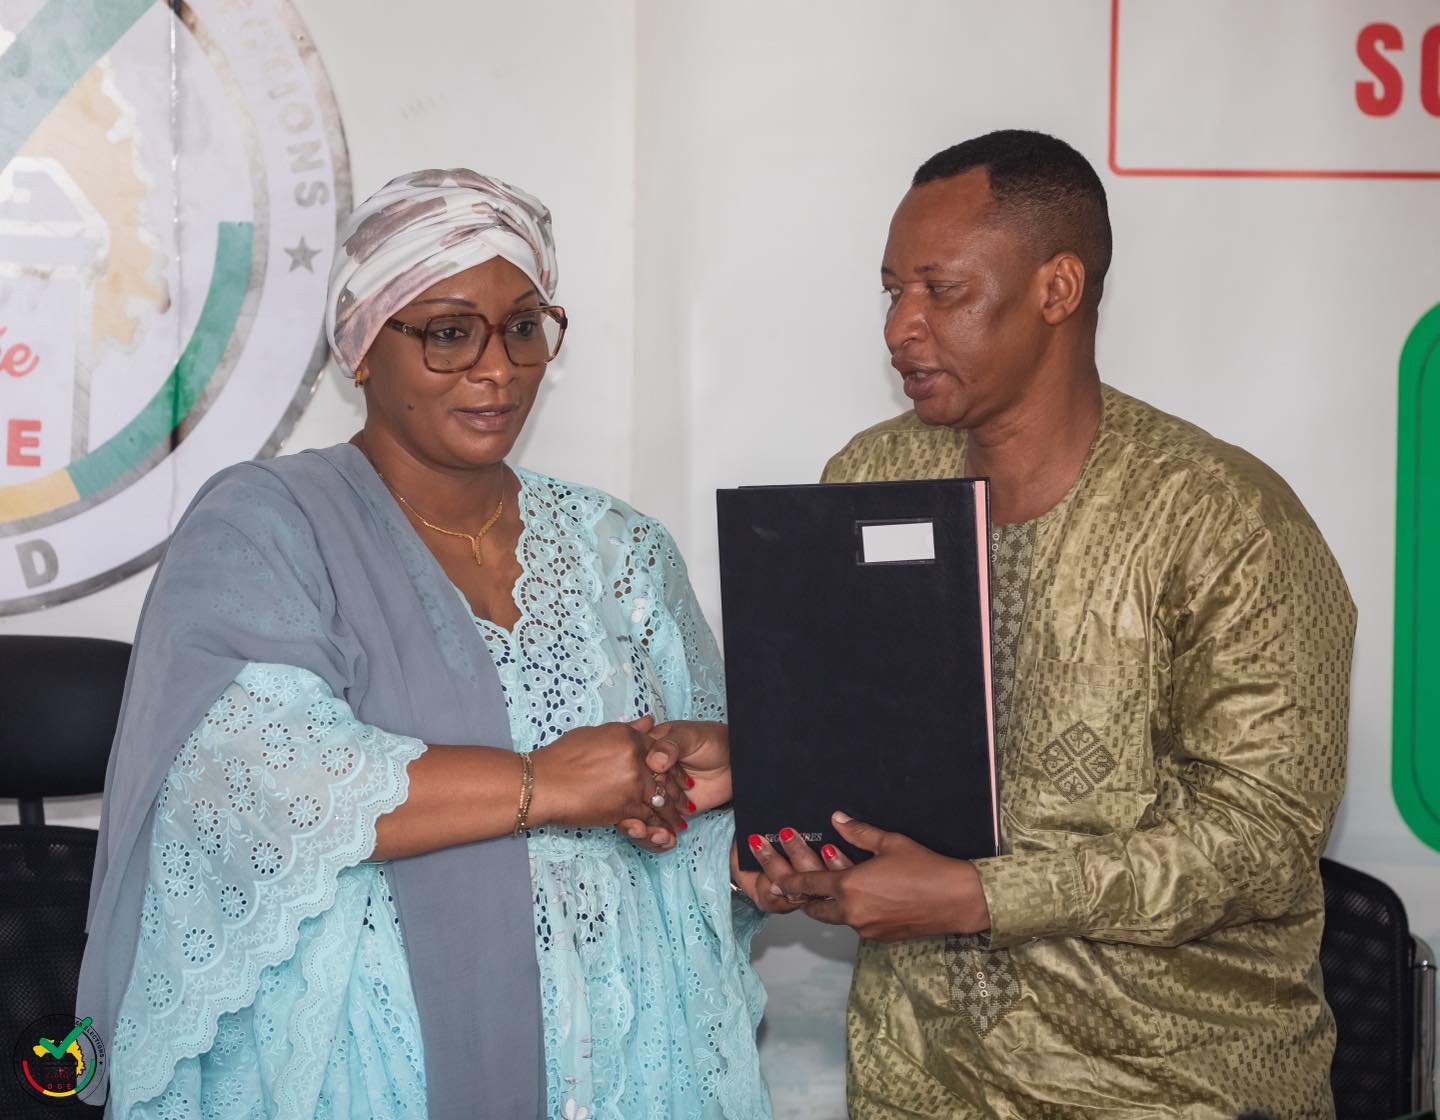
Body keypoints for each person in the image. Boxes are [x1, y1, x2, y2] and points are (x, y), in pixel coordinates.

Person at [77, 170, 773, 1120]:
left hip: (628, 1056)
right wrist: (547, 783)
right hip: (372, 1068)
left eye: (523, 328)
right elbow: (257, 786)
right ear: (362, 348)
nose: (498, 369)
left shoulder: (622, 549)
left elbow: (691, 832)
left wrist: (730, 814)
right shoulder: (266, 528)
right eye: (450, 332)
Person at [756, 130, 1356, 1119]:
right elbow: (850, 747)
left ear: (1058, 289)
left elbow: (1263, 842)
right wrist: (787, 814)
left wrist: (983, 895)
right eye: (892, 291)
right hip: (921, 1079)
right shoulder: (871, 477)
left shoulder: (1226, 519)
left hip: (1167, 1086)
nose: (901, 327)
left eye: (941, 290)